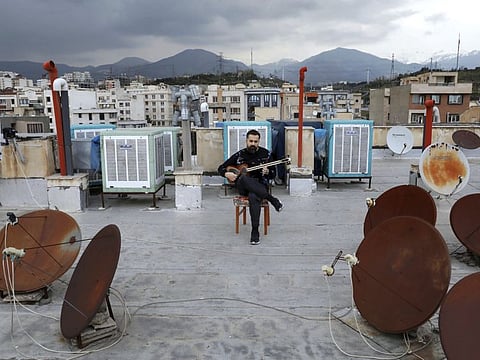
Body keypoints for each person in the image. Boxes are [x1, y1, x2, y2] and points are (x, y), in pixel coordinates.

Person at [218, 129, 284, 245]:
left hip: (260, 186)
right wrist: (226, 173)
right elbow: (221, 168)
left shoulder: (266, 154)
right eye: (251, 141)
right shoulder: (240, 155)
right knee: (243, 178)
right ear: (246, 141)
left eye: (256, 141)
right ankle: (272, 199)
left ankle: (255, 231)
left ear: (259, 142)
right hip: (243, 187)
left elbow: (273, 174)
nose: (253, 144)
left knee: (254, 196)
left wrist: (267, 172)